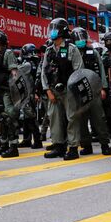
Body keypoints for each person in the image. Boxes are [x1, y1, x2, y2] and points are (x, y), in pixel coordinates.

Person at [41, 18, 84, 160]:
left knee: (71, 118)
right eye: (51, 28)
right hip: (53, 91)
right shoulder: (49, 51)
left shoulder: (72, 49)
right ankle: (58, 146)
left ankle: (73, 148)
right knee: (54, 118)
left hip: (68, 91)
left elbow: (79, 71)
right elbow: (44, 72)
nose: (52, 31)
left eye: (55, 28)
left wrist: (73, 91)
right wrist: (47, 90)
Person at [73, 27, 111, 156]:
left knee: (99, 118)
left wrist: (103, 88)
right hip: (79, 92)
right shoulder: (71, 53)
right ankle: (86, 145)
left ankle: (105, 144)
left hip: (94, 90)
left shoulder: (93, 52)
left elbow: (101, 70)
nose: (80, 41)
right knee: (82, 121)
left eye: (82, 38)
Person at [0, 31, 21, 158]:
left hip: (7, 90)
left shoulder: (7, 53)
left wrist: (15, 91)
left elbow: (14, 73)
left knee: (9, 116)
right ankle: (3, 144)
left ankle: (13, 147)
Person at [17, 43, 43, 149]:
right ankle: (27, 139)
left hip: (29, 94)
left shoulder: (27, 64)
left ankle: (37, 140)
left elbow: (16, 72)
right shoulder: (34, 63)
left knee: (30, 117)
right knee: (26, 117)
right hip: (30, 93)